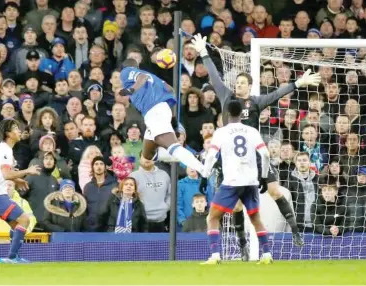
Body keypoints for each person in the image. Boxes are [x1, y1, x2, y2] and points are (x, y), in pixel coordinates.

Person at [191, 33, 322, 247]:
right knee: (236, 207)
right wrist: (204, 52)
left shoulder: (256, 102)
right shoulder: (227, 97)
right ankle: (242, 245)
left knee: (275, 191)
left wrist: (298, 83)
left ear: (250, 86)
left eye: (243, 83)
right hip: (231, 160)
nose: (238, 85)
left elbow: (278, 93)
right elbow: (214, 77)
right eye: (238, 82)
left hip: (257, 158)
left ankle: (296, 232)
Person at [200, 101, 272, 265]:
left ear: (226, 114)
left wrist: (205, 176)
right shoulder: (252, 131)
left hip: (232, 182)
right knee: (255, 218)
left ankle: (215, 256)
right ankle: (267, 255)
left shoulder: (221, 132)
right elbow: (265, 155)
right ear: (242, 113)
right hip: (251, 181)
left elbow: (211, 156)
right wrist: (264, 177)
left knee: (212, 217)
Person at [119, 58, 205, 175]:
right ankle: (196, 156)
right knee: (148, 155)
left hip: (154, 112)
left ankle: (202, 168)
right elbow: (171, 90)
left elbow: (141, 78)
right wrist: (173, 119)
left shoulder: (126, 71)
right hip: (161, 110)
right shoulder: (153, 77)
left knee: (172, 146)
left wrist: (131, 89)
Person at [0, 119, 41, 263]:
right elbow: (7, 174)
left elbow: (2, 174)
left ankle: (12, 258)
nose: (19, 131)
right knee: (25, 219)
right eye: (16, 128)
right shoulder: (4, 149)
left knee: (17, 225)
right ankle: (12, 258)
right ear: (8, 133)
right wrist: (28, 171)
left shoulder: (5, 149)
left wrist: (18, 180)